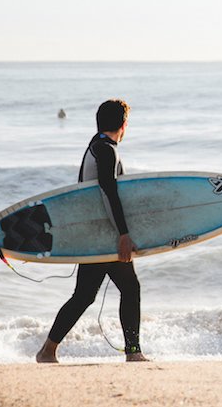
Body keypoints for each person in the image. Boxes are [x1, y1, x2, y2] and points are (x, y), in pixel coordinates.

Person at [36, 99, 148, 363]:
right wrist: (123, 233)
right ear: (124, 125)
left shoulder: (95, 146)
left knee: (85, 295)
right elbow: (109, 192)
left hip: (95, 234)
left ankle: (47, 350)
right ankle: (133, 352)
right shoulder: (106, 150)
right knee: (129, 288)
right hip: (104, 235)